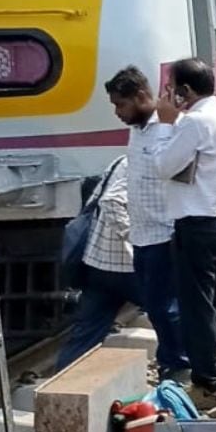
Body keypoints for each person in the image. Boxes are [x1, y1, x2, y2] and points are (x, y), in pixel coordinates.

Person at [148, 58, 216, 403]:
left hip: (197, 223)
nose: (165, 94)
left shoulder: (193, 123)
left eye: (170, 87)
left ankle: (207, 381)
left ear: (185, 91)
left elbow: (163, 166)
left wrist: (165, 124)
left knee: (197, 306)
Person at [105, 66, 189, 379]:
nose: (117, 112)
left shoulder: (170, 127)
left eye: (121, 105)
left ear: (141, 96)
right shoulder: (137, 129)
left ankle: (179, 364)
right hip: (142, 234)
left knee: (167, 306)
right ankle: (172, 360)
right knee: (155, 306)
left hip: (165, 232)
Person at [56, 156, 144, 371]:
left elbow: (93, 201)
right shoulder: (143, 161)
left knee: (86, 332)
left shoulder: (118, 162)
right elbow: (111, 201)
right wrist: (135, 236)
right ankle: (181, 375)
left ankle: (63, 381)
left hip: (98, 262)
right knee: (172, 317)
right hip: (131, 265)